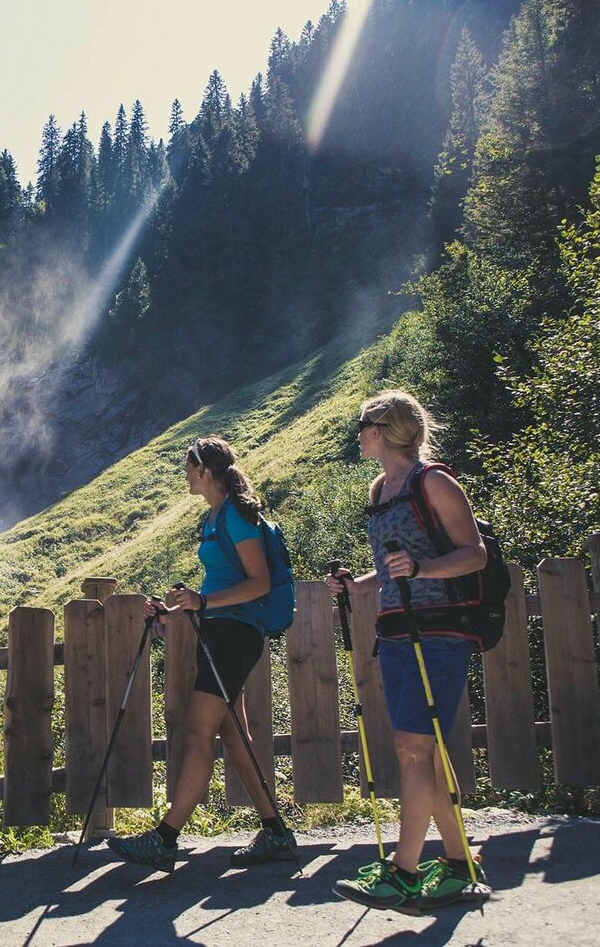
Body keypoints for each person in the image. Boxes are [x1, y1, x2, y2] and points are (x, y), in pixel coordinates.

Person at [326, 389, 487, 911]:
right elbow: (397, 564)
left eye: (363, 424)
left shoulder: (433, 482)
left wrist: (422, 571)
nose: (358, 434)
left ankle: (404, 871)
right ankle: (460, 864)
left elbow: (474, 555)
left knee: (413, 749)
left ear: (385, 428)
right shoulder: (380, 489)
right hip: (395, 629)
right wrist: (359, 586)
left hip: (439, 630)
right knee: (422, 750)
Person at [107, 435, 295, 872]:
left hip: (235, 635)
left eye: (189, 466)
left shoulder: (237, 517)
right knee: (233, 735)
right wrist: (175, 613)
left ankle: (165, 838)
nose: (185, 474)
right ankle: (276, 834)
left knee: (197, 732)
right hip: (221, 632)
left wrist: (204, 603)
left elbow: (259, 583)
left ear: (205, 470)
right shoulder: (215, 516)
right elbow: (216, 588)